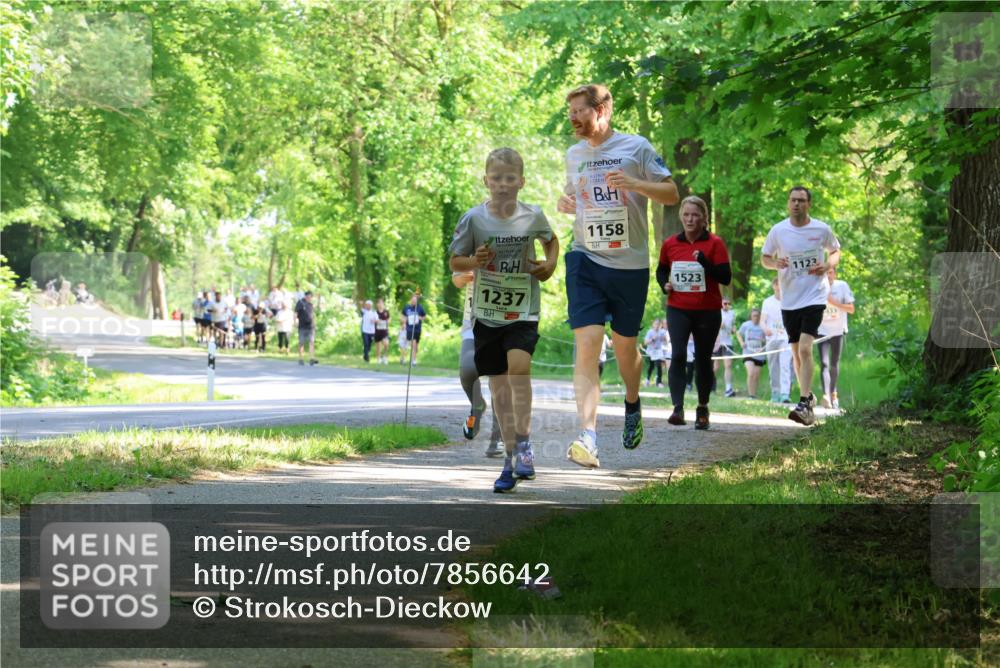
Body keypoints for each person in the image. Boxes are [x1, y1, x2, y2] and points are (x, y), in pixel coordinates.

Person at [558, 83, 679, 467]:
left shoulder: (636, 147)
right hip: (585, 259)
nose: (574, 119)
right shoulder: (574, 154)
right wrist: (566, 201)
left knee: (625, 347)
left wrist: (635, 184)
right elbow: (574, 196)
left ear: (603, 111)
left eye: (580, 111)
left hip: (629, 265)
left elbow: (671, 192)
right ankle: (588, 437)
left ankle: (632, 401)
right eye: (571, 112)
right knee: (588, 345)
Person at [450, 147, 558, 492]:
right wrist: (474, 261)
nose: (502, 184)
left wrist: (550, 264)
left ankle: (524, 444)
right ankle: (511, 459)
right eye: (496, 178)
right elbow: (456, 262)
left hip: (523, 309)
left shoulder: (533, 215)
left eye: (510, 178)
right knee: (498, 387)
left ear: (521, 182)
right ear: (486, 181)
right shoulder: (474, 219)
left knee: (519, 368)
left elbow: (552, 242)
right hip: (486, 312)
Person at [761, 186, 841, 425]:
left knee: (805, 349)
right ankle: (809, 398)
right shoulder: (778, 231)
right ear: (788, 203)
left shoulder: (821, 229)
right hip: (790, 299)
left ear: (809, 204)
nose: (796, 204)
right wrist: (776, 263)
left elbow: (836, 251)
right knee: (796, 353)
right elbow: (765, 258)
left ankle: (804, 402)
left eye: (801, 200)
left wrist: (827, 266)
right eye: (793, 200)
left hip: (815, 296)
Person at [656, 195, 732, 430]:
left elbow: (725, 277)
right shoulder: (670, 244)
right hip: (678, 308)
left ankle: (702, 407)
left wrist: (705, 264)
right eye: (686, 215)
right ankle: (677, 408)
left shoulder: (715, 243)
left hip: (707, 310)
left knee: (702, 359)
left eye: (695, 215)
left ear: (704, 218)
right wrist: (664, 285)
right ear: (681, 216)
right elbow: (661, 270)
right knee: (678, 354)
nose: (690, 219)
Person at [452, 271, 504, 457]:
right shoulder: (473, 244)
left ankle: (496, 439)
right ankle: (478, 406)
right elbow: (456, 279)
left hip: (504, 321)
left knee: (498, 380)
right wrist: (465, 276)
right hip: (473, 323)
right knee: (467, 370)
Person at [817, 267, 855, 409]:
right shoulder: (818, 287)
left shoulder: (842, 286)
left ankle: (833, 393)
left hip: (838, 331)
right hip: (821, 331)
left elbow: (851, 309)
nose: (828, 275)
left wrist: (833, 302)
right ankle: (826, 395)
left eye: (831, 272)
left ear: (835, 274)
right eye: (826, 273)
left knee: (834, 363)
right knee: (824, 363)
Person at [761, 278, 793, 403]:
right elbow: (762, 321)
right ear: (774, 285)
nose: (781, 286)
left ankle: (785, 394)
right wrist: (765, 329)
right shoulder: (767, 302)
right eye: (779, 284)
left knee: (785, 365)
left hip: (785, 338)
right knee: (773, 366)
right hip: (771, 339)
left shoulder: (789, 301)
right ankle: (775, 393)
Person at [737, 308, 768, 399]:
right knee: (751, 373)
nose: (756, 317)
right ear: (751, 316)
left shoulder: (763, 326)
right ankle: (751, 395)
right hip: (748, 353)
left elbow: (768, 338)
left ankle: (754, 394)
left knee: (756, 376)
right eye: (754, 315)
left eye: (758, 316)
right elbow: (738, 334)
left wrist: (764, 342)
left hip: (759, 354)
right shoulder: (745, 325)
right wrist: (742, 343)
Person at [716, 297, 737, 397]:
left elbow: (733, 326)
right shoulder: (717, 312)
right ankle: (710, 386)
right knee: (715, 367)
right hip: (717, 343)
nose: (727, 305)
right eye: (725, 303)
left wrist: (733, 329)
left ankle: (728, 388)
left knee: (728, 365)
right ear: (721, 303)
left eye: (728, 303)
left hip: (727, 343)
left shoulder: (732, 313)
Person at [402, 294, 426, 366]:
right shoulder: (407, 307)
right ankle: (411, 360)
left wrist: (419, 318)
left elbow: (424, 316)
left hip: (417, 329)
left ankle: (413, 359)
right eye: (412, 300)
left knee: (416, 346)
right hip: (409, 329)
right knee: (413, 344)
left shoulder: (420, 308)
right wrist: (403, 322)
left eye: (415, 300)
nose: (413, 301)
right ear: (411, 300)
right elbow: (402, 316)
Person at [296, 291, 317, 366]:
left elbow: (313, 314)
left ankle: (311, 358)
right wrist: (295, 322)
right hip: (302, 326)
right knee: (301, 343)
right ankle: (301, 358)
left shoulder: (311, 305)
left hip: (310, 327)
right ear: (305, 296)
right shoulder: (300, 303)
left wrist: (314, 323)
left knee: (311, 342)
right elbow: (296, 313)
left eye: (310, 297)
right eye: (308, 297)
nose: (309, 298)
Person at [643, 319, 666, 387]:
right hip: (651, 351)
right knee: (651, 366)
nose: (657, 326)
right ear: (653, 325)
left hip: (658, 351)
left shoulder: (662, 332)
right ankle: (647, 379)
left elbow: (666, 340)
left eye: (658, 324)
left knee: (659, 365)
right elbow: (645, 342)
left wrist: (663, 338)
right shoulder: (650, 332)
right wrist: (652, 339)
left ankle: (659, 382)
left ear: (660, 325)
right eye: (655, 324)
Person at [373, 298, 391, 364]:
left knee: (386, 343)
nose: (380, 304)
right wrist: (376, 321)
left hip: (384, 331)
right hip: (377, 331)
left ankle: (385, 357)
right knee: (378, 346)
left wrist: (386, 321)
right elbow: (372, 320)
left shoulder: (386, 312)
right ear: (377, 304)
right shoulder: (375, 312)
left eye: (382, 303)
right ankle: (379, 358)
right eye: (379, 303)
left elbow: (389, 320)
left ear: (383, 304)